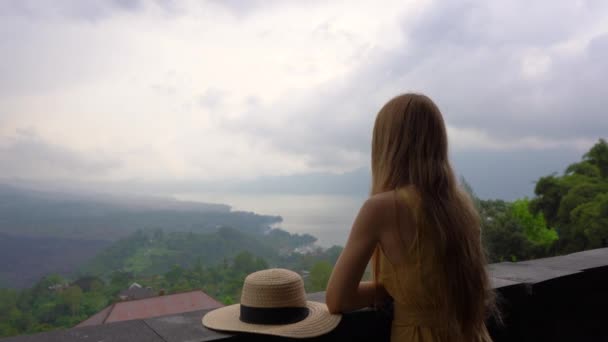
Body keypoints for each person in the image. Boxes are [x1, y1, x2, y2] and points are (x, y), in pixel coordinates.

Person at [326, 93, 496, 341]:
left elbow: (338, 299)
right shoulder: (461, 206)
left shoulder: (381, 208)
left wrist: (388, 291)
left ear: (386, 145)